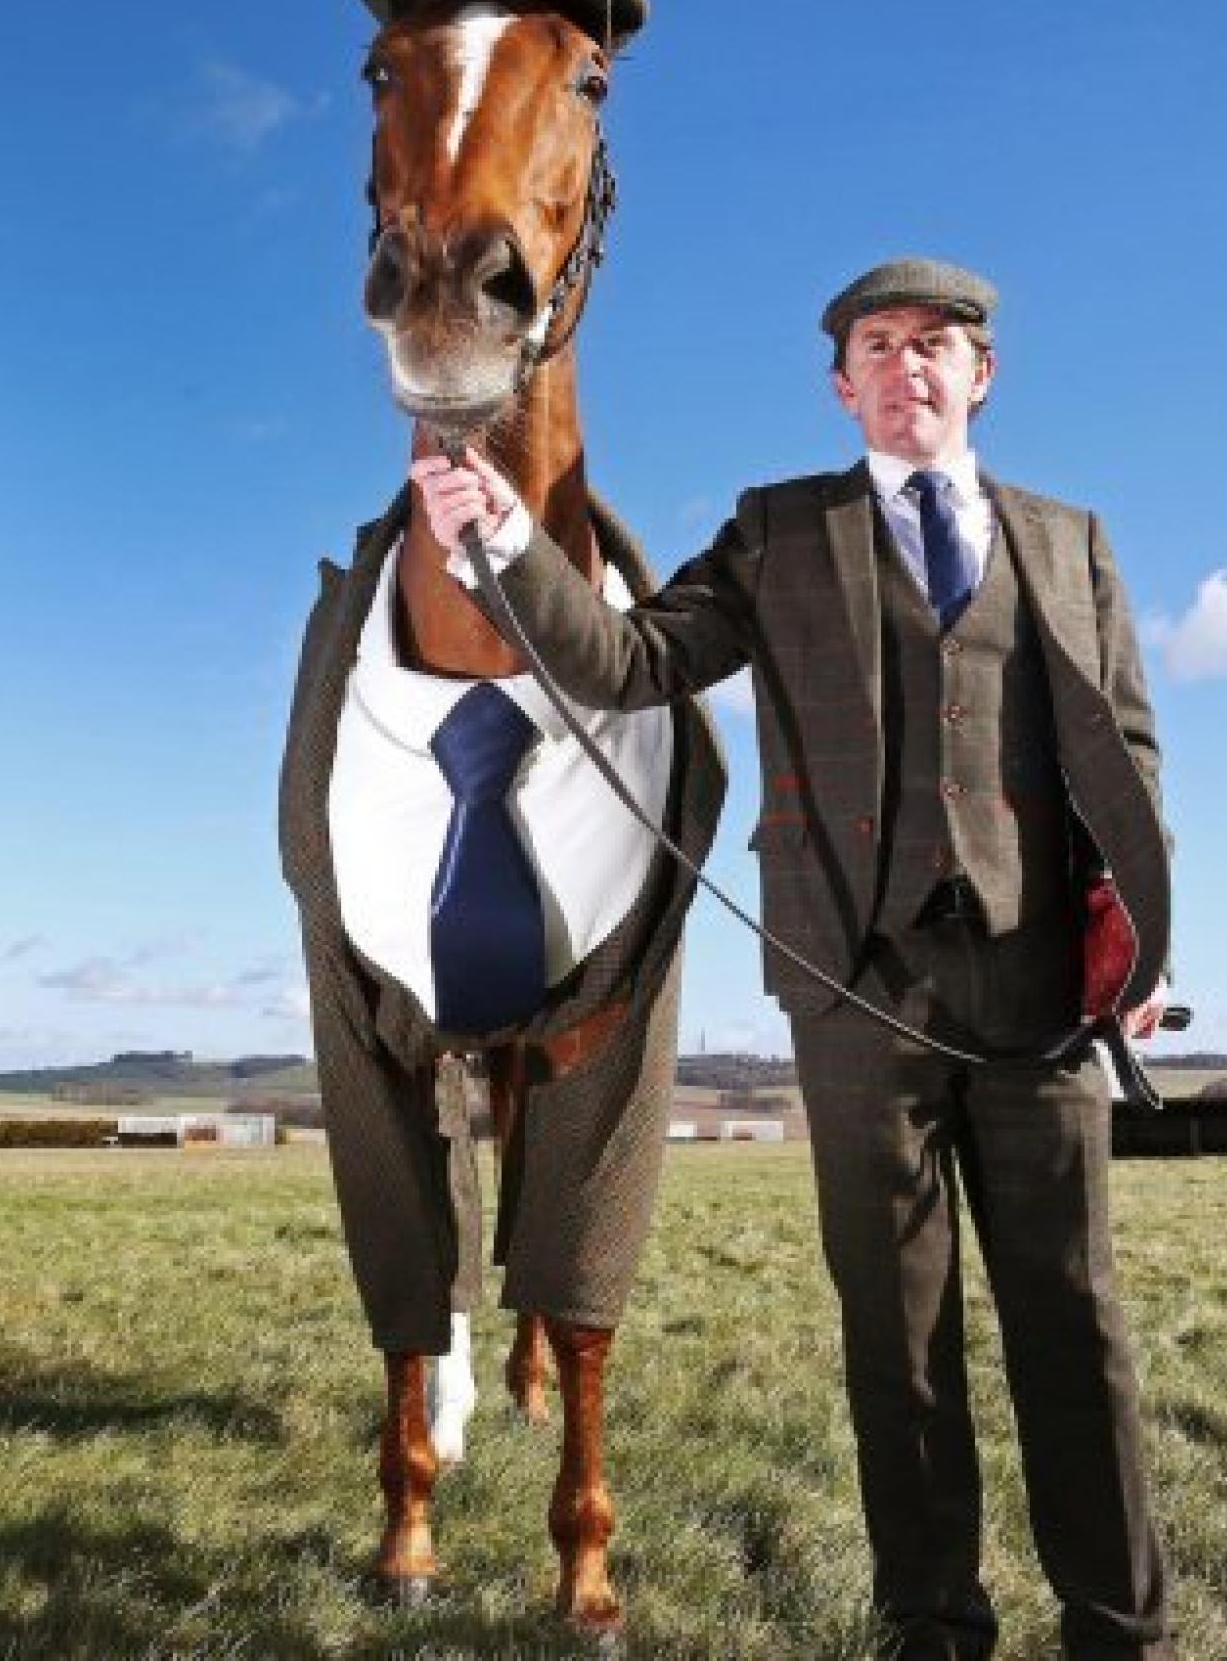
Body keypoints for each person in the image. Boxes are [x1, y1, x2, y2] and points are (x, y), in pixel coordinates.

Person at [415, 257, 1175, 1660]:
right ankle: (930, 1626)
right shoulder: (781, 529)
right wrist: (514, 546)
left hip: (1039, 996)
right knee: (896, 1338)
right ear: (842, 386)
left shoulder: (1071, 540)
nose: (907, 365)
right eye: (877, 345)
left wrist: (1136, 934)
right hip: (853, 992)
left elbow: (1124, 756)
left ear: (981, 373)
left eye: (934, 343)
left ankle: (1120, 1631)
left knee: (1074, 1322)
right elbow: (636, 662)